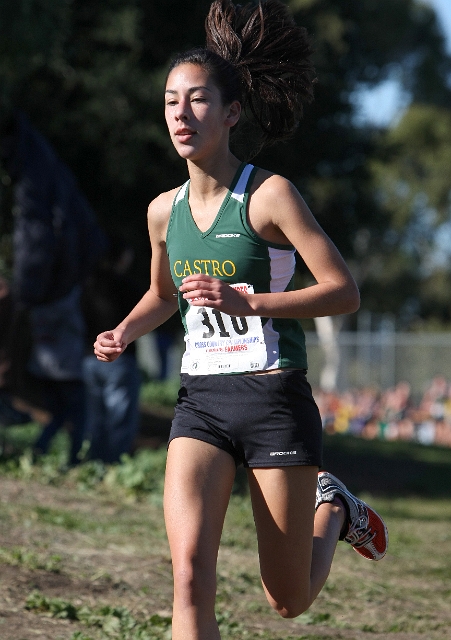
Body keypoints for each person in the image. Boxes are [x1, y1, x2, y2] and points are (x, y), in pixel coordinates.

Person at [94, 1, 388, 637]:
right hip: (201, 400)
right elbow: (164, 296)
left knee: (287, 599)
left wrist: (249, 301)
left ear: (231, 113)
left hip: (274, 396)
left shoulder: (269, 196)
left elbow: (343, 291)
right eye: (172, 100)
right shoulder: (160, 212)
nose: (181, 113)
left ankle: (331, 507)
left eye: (198, 100)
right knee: (190, 572)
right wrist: (124, 331)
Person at [81, 236, 143, 463]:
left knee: (94, 418)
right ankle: (113, 464)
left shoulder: (88, 284)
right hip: (120, 360)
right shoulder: (128, 287)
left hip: (89, 358)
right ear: (123, 257)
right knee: (120, 418)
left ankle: (92, 463)